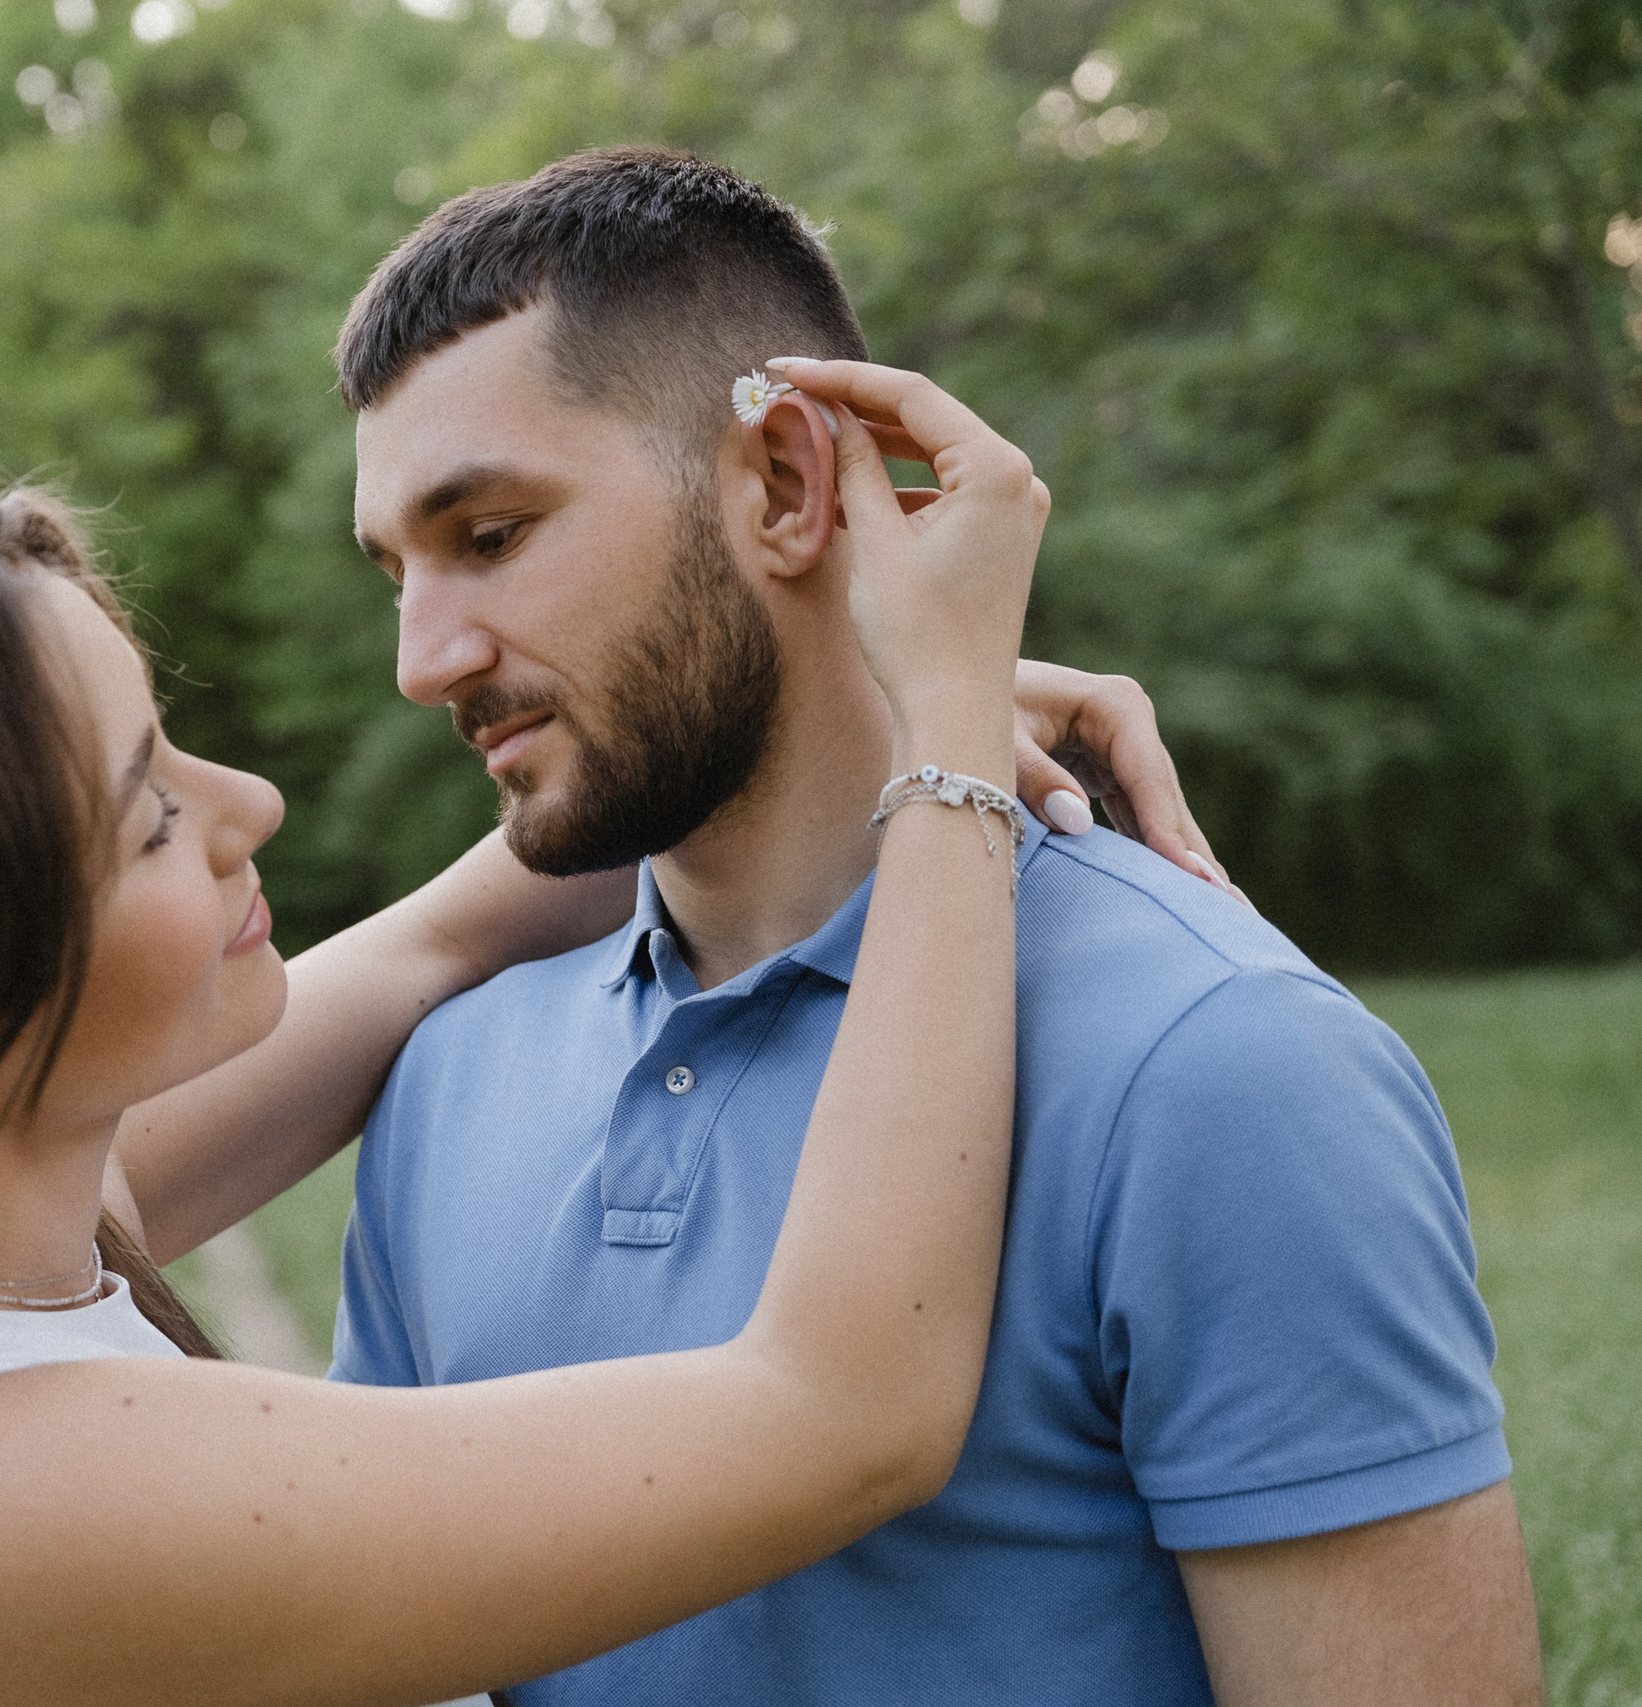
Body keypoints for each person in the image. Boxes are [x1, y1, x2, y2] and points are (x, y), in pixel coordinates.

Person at [0, 350, 1123, 1707]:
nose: (251, 809)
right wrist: (950, 733)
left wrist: (829, 707)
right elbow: (844, 1415)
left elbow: (454, 929)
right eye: (146, 813)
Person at [309, 147, 1543, 1706]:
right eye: (395, 572)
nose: (424, 658)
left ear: (783, 484)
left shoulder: (1225, 1073)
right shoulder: (443, 1081)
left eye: (487, 535)